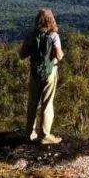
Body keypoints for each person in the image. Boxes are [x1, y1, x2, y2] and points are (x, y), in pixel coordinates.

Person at [19, 8, 64, 144]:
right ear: (51, 20)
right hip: (50, 73)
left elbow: (22, 55)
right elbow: (59, 56)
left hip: (34, 73)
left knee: (33, 103)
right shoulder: (54, 36)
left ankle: (30, 133)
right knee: (47, 104)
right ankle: (45, 136)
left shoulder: (31, 35)